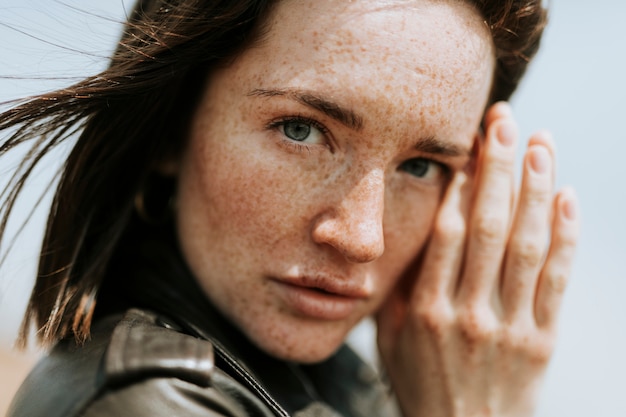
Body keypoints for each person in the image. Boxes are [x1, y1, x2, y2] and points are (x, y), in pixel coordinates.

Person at [0, 0, 579, 416]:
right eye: (300, 130)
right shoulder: (150, 406)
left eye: (421, 167)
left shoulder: (327, 386)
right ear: (171, 128)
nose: (361, 238)